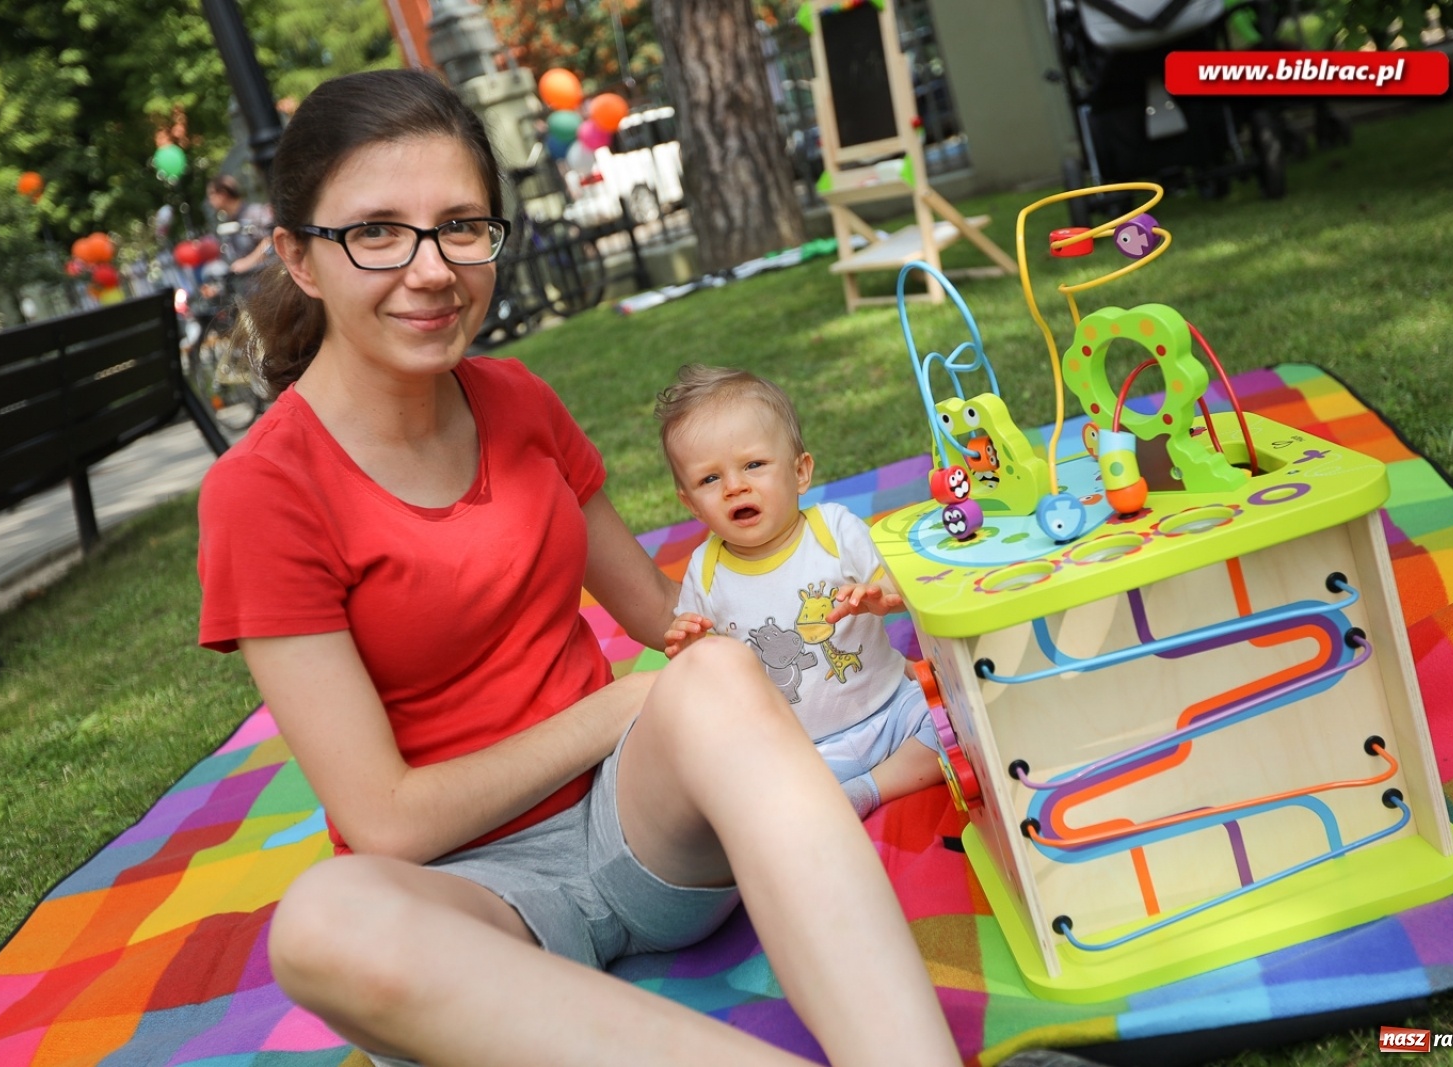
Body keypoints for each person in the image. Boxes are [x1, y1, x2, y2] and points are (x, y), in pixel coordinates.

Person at [196, 68, 960, 1067]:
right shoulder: (263, 491)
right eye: (376, 231)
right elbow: (384, 822)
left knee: (717, 672)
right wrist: (619, 707)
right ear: (299, 256)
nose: (432, 269)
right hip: (475, 905)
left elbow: (665, 615)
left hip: (640, 828)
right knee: (321, 922)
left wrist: (818, 588)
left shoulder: (518, 400)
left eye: (460, 226)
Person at [657, 366, 945, 819]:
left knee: (956, 729)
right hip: (804, 748)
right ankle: (840, 790)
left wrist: (881, 594)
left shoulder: (834, 529)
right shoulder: (705, 571)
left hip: (892, 708)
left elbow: (897, 586)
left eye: (754, 465)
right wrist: (693, 650)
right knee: (748, 801)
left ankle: (868, 790)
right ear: (691, 504)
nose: (734, 486)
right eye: (709, 479)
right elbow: (711, 673)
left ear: (800, 472)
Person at [205, 174, 274, 278]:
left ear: (223, 194)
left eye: (211, 195)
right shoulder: (227, 223)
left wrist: (248, 261)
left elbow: (270, 239)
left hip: (269, 278)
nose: (210, 201)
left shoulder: (253, 213)